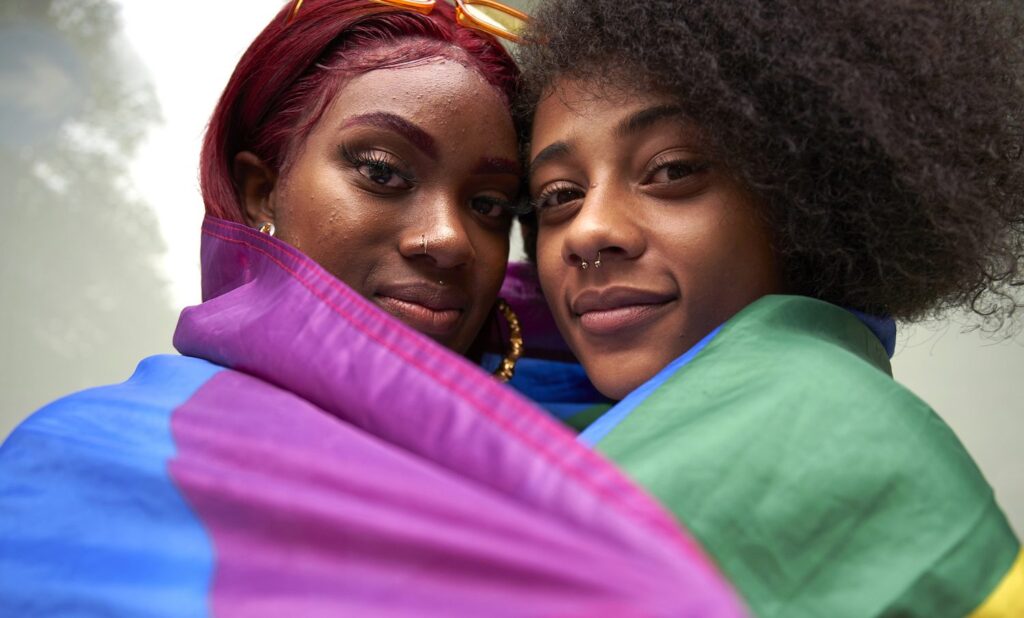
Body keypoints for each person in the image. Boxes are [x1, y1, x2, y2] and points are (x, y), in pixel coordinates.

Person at [0, 1, 748, 615]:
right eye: (384, 172)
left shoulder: (657, 402)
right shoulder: (85, 460)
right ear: (262, 189)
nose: (448, 238)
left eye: (489, 204)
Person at [518, 0, 1024, 615]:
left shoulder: (827, 421)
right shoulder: (528, 424)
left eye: (671, 170)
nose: (588, 231)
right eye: (559, 196)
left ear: (802, 198)